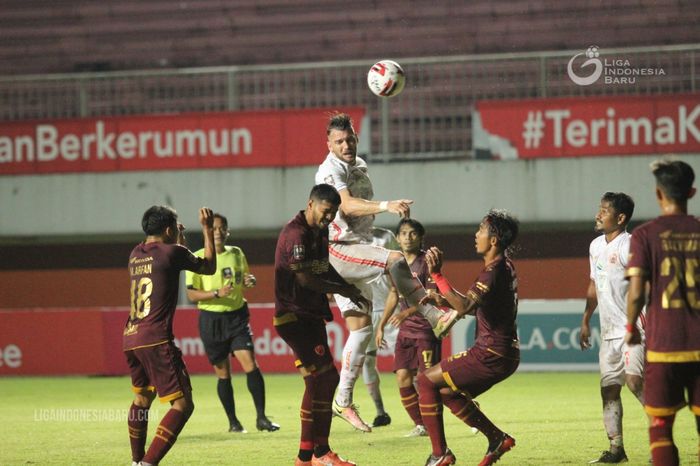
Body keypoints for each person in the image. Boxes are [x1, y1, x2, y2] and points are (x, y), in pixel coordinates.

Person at [315, 112, 458, 432]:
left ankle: (343, 400)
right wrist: (386, 205)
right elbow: (347, 205)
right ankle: (434, 315)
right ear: (328, 144)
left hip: (354, 246)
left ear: (356, 137)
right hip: (340, 248)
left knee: (362, 330)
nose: (346, 145)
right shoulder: (331, 169)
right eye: (339, 141)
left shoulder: (358, 164)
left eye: (350, 138)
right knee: (395, 259)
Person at [274, 184, 370, 466]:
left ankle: (306, 457)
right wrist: (346, 291)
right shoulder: (296, 233)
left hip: (310, 314)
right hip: (294, 316)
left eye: (333, 214)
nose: (329, 218)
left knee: (316, 383)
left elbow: (323, 268)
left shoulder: (319, 230)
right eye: (326, 212)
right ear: (311, 204)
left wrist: (347, 288)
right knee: (327, 379)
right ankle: (321, 452)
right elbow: (305, 279)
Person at [416, 209, 520, 466]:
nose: (476, 235)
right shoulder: (503, 266)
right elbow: (473, 306)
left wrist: (438, 275)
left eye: (480, 230)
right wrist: (443, 298)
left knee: (425, 381)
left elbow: (464, 307)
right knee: (445, 391)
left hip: (489, 354)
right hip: (504, 354)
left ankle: (440, 454)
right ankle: (496, 439)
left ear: (493, 240)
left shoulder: (492, 271)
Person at [124, 205, 216, 466]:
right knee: (183, 406)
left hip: (130, 336)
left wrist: (177, 241)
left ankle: (135, 460)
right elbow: (208, 267)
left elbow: (170, 258)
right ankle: (147, 463)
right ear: (168, 229)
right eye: (176, 227)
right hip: (155, 338)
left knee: (142, 399)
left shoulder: (135, 252)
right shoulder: (173, 252)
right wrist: (207, 229)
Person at [624, 158, 699, 466]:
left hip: (664, 345)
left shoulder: (644, 235)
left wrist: (631, 329)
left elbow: (637, 291)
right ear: (691, 192)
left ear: (659, 194)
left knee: (660, 426)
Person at [185, 213, 279, 433]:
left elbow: (244, 279)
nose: (218, 232)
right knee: (223, 373)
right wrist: (217, 293)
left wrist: (250, 280)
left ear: (227, 231)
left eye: (222, 228)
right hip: (212, 320)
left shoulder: (236, 253)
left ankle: (262, 418)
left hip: (237, 316)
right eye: (214, 228)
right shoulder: (197, 258)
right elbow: (192, 295)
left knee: (251, 365)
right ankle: (233, 423)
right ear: (208, 232)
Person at [579, 192, 645, 464]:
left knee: (636, 383)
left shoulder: (630, 245)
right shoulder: (595, 246)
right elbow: (594, 286)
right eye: (599, 209)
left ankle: (663, 444)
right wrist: (585, 319)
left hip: (633, 328)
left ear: (621, 218)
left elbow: (644, 284)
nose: (598, 214)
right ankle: (616, 449)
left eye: (604, 210)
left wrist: (636, 322)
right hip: (608, 332)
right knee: (609, 389)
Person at [376, 218, 440, 438]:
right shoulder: (395, 262)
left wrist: (406, 313)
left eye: (413, 234)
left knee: (428, 380)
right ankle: (421, 424)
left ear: (421, 237)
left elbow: (431, 298)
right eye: (403, 233)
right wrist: (381, 325)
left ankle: (466, 406)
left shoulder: (427, 262)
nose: (407, 237)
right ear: (397, 238)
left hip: (426, 329)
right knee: (403, 376)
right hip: (406, 331)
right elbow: (394, 293)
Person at [361, 227, 400, 428]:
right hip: (365, 309)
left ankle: (424, 413)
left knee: (407, 362)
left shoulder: (386, 237)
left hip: (391, 307)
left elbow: (401, 265)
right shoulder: (346, 239)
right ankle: (380, 412)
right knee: (367, 361)